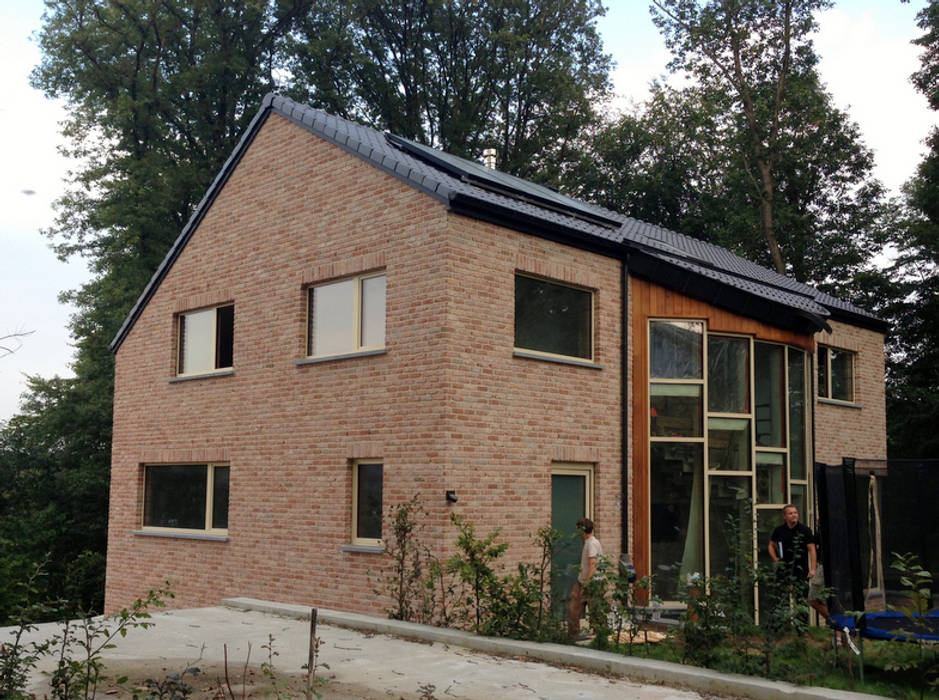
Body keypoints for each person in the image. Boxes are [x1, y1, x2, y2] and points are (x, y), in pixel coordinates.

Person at [768, 504, 834, 627]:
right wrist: (775, 559)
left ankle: (802, 628)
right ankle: (778, 626)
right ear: (784, 516)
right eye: (791, 513)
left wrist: (813, 568)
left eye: (796, 513)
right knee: (780, 597)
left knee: (802, 599)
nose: (794, 515)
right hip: (784, 568)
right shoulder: (779, 531)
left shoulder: (804, 530)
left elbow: (812, 549)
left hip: (800, 569)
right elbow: (771, 545)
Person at [568, 517, 603, 639]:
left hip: (592, 582)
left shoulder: (592, 543)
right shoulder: (588, 543)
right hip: (582, 580)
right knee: (573, 608)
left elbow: (592, 566)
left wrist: (586, 585)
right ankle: (573, 635)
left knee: (595, 611)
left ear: (582, 530)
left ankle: (600, 638)